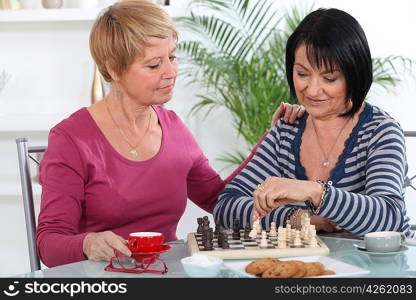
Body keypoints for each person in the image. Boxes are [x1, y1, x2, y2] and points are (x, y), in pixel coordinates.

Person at [36, 0, 304, 267]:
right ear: (114, 69)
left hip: (165, 272)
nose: (171, 72)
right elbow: (49, 245)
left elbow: (220, 199)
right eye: (154, 65)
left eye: (172, 57)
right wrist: (88, 243)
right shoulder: (71, 139)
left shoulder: (173, 127)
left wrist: (272, 137)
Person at [214, 8, 415, 239]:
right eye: (302, 74)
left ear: (355, 73)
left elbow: (389, 219)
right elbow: (225, 208)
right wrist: (297, 218)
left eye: (329, 78)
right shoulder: (287, 131)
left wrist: (315, 192)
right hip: (309, 270)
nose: (312, 90)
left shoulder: (380, 131)